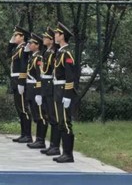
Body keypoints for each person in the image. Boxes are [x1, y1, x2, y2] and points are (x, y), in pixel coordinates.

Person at [52, 21, 76, 163]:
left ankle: (68, 154)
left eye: (57, 33)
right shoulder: (60, 52)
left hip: (63, 90)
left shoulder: (66, 53)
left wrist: (67, 95)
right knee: (60, 121)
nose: (55, 35)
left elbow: (70, 76)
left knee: (65, 122)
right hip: (58, 89)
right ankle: (64, 152)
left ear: (62, 36)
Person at [8, 25, 31, 143]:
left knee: (23, 108)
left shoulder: (23, 49)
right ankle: (23, 134)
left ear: (22, 37)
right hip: (15, 80)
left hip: (19, 80)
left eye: (16, 35)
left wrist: (22, 82)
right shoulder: (17, 49)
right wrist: (11, 42)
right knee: (19, 109)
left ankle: (28, 135)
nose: (15, 37)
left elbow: (23, 66)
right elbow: (8, 53)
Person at [39, 26, 60, 157]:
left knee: (53, 117)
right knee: (49, 115)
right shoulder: (47, 52)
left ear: (51, 40)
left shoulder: (52, 53)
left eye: (46, 37)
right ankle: (52, 145)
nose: (43, 39)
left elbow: (50, 70)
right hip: (45, 85)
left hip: (50, 86)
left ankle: (55, 146)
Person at [25, 32, 47, 149]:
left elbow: (39, 76)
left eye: (32, 43)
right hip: (30, 88)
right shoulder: (32, 57)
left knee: (40, 115)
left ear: (37, 45)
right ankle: (38, 139)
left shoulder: (38, 58)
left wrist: (39, 92)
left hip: (35, 88)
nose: (29, 45)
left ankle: (40, 140)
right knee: (35, 114)